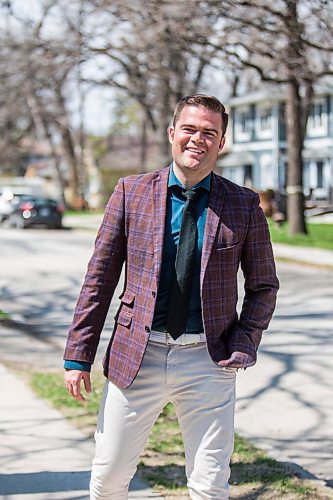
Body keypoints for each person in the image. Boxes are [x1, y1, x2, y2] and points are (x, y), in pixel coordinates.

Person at [64, 94, 279, 500]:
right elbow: (99, 279)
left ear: (222, 142)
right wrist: (78, 355)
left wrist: (244, 343)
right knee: (108, 479)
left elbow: (263, 286)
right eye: (190, 129)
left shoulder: (243, 204)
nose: (198, 139)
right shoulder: (131, 192)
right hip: (137, 355)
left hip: (209, 360)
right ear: (172, 134)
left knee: (210, 484)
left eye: (209, 133)